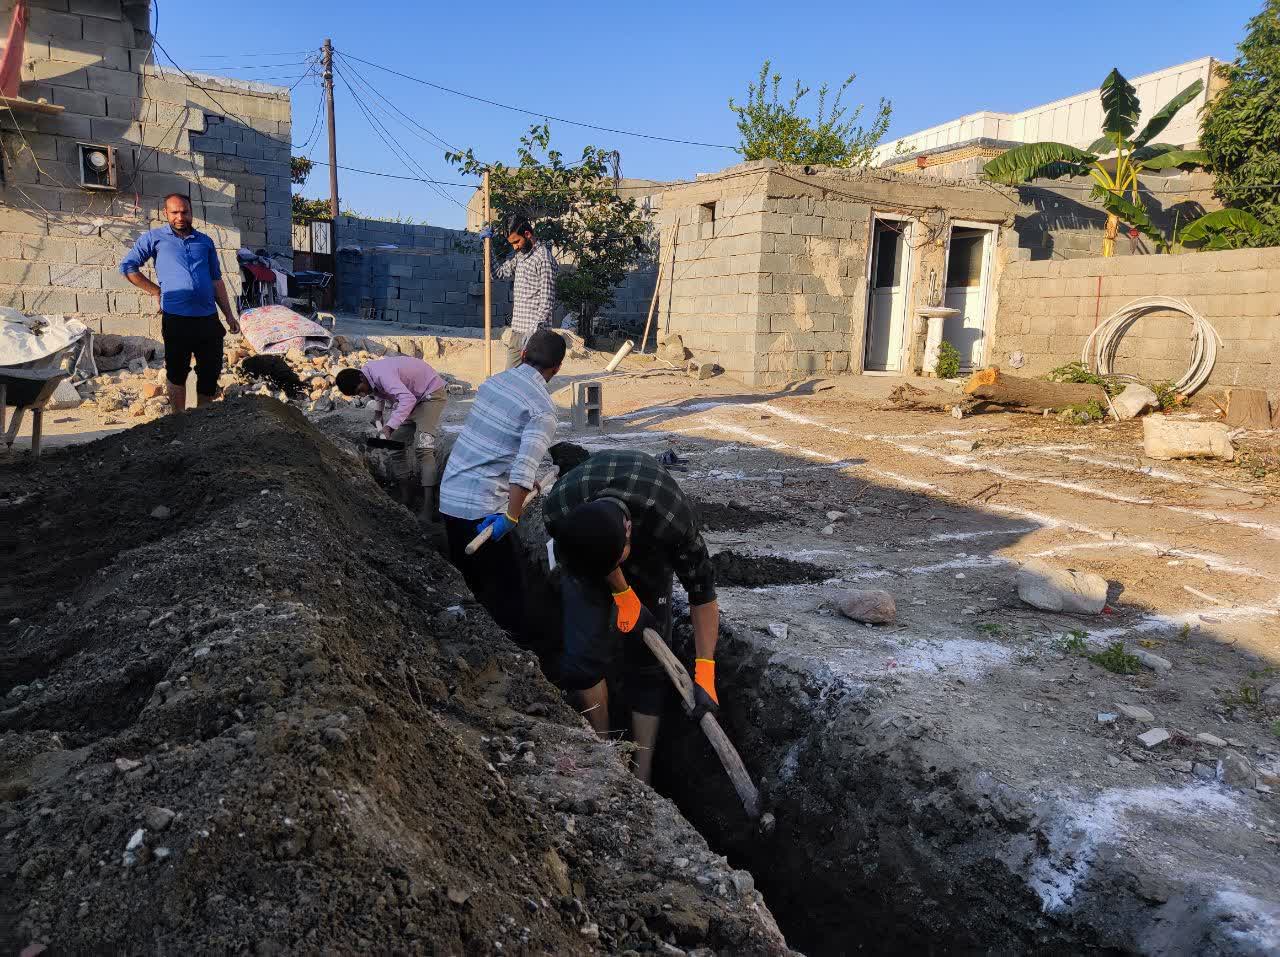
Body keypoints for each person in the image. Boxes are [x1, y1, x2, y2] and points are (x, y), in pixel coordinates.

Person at [542, 449, 719, 784]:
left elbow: (702, 592)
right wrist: (622, 592)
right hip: (588, 556)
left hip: (650, 550)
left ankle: (643, 773)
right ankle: (604, 755)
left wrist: (705, 670)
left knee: (648, 665)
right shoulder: (560, 508)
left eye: (618, 561)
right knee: (582, 660)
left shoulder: (671, 518)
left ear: (627, 531)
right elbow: (582, 562)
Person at [438, 328, 565, 640]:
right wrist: (511, 516)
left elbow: (494, 442)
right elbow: (524, 466)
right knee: (509, 597)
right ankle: (512, 653)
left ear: (522, 354)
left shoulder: (494, 382)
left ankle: (470, 632)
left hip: (451, 496)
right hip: (482, 514)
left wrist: (519, 482)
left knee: (469, 579)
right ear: (557, 368)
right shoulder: (542, 410)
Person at [120, 193, 239, 411]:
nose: (180, 217)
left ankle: (203, 420)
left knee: (210, 372)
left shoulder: (205, 242)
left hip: (208, 319)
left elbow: (216, 281)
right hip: (177, 319)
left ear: (191, 212)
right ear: (166, 213)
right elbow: (129, 268)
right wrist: (155, 290)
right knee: (177, 372)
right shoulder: (154, 238)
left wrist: (229, 315)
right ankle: (178, 421)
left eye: (184, 212)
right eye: (174, 212)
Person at [336, 355, 448, 518]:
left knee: (424, 448)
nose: (362, 395)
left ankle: (428, 506)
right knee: (394, 444)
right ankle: (406, 497)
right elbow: (380, 392)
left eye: (360, 390)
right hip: (413, 399)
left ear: (361, 377)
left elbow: (406, 399)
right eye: (357, 394)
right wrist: (378, 413)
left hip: (430, 396)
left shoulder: (382, 374)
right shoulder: (369, 374)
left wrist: (389, 426)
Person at [479, 216, 557, 369]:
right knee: (511, 378)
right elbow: (498, 273)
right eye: (512, 243)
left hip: (535, 335)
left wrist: (533, 332)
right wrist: (487, 246)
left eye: (517, 242)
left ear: (528, 234)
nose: (515, 247)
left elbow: (547, 301)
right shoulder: (521, 256)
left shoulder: (544, 259)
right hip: (518, 331)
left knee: (532, 380)